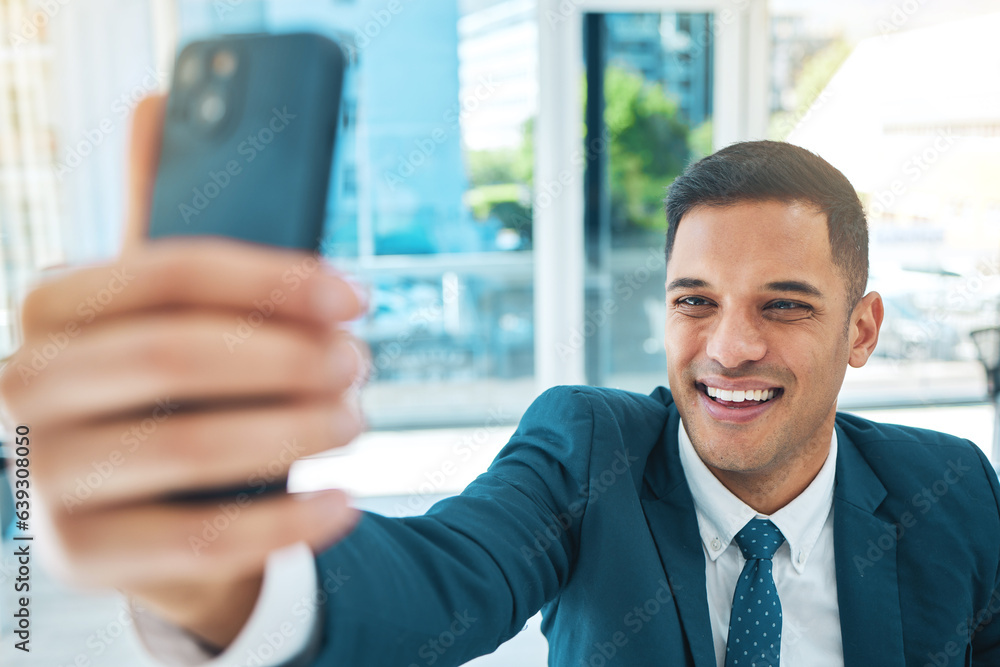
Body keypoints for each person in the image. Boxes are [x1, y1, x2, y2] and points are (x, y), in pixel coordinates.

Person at [2, 97, 999, 667]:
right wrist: (222, 563)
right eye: (694, 300)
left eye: (781, 305)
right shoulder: (589, 449)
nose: (726, 347)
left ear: (861, 328)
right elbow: (434, 578)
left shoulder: (949, 488)